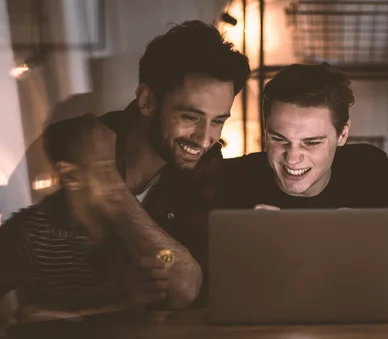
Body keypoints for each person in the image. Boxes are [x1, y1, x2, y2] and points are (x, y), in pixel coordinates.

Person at [0, 21, 250, 311]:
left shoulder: (205, 166)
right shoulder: (70, 147)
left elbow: (186, 281)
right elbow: (19, 261)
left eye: (218, 120)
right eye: (191, 117)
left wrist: (111, 189)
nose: (205, 138)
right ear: (146, 101)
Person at [222, 63, 388, 242]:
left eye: (311, 143)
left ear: (343, 134)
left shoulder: (370, 169)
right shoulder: (232, 179)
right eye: (279, 139)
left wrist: (367, 239)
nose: (292, 158)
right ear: (265, 132)